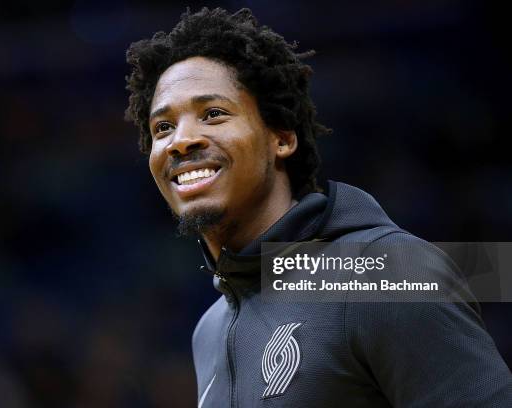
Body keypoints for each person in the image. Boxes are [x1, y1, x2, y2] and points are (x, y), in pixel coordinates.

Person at [125, 7, 512, 407]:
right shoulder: (209, 329)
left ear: (282, 139)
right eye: (163, 127)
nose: (181, 140)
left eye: (214, 114)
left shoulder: (386, 273)